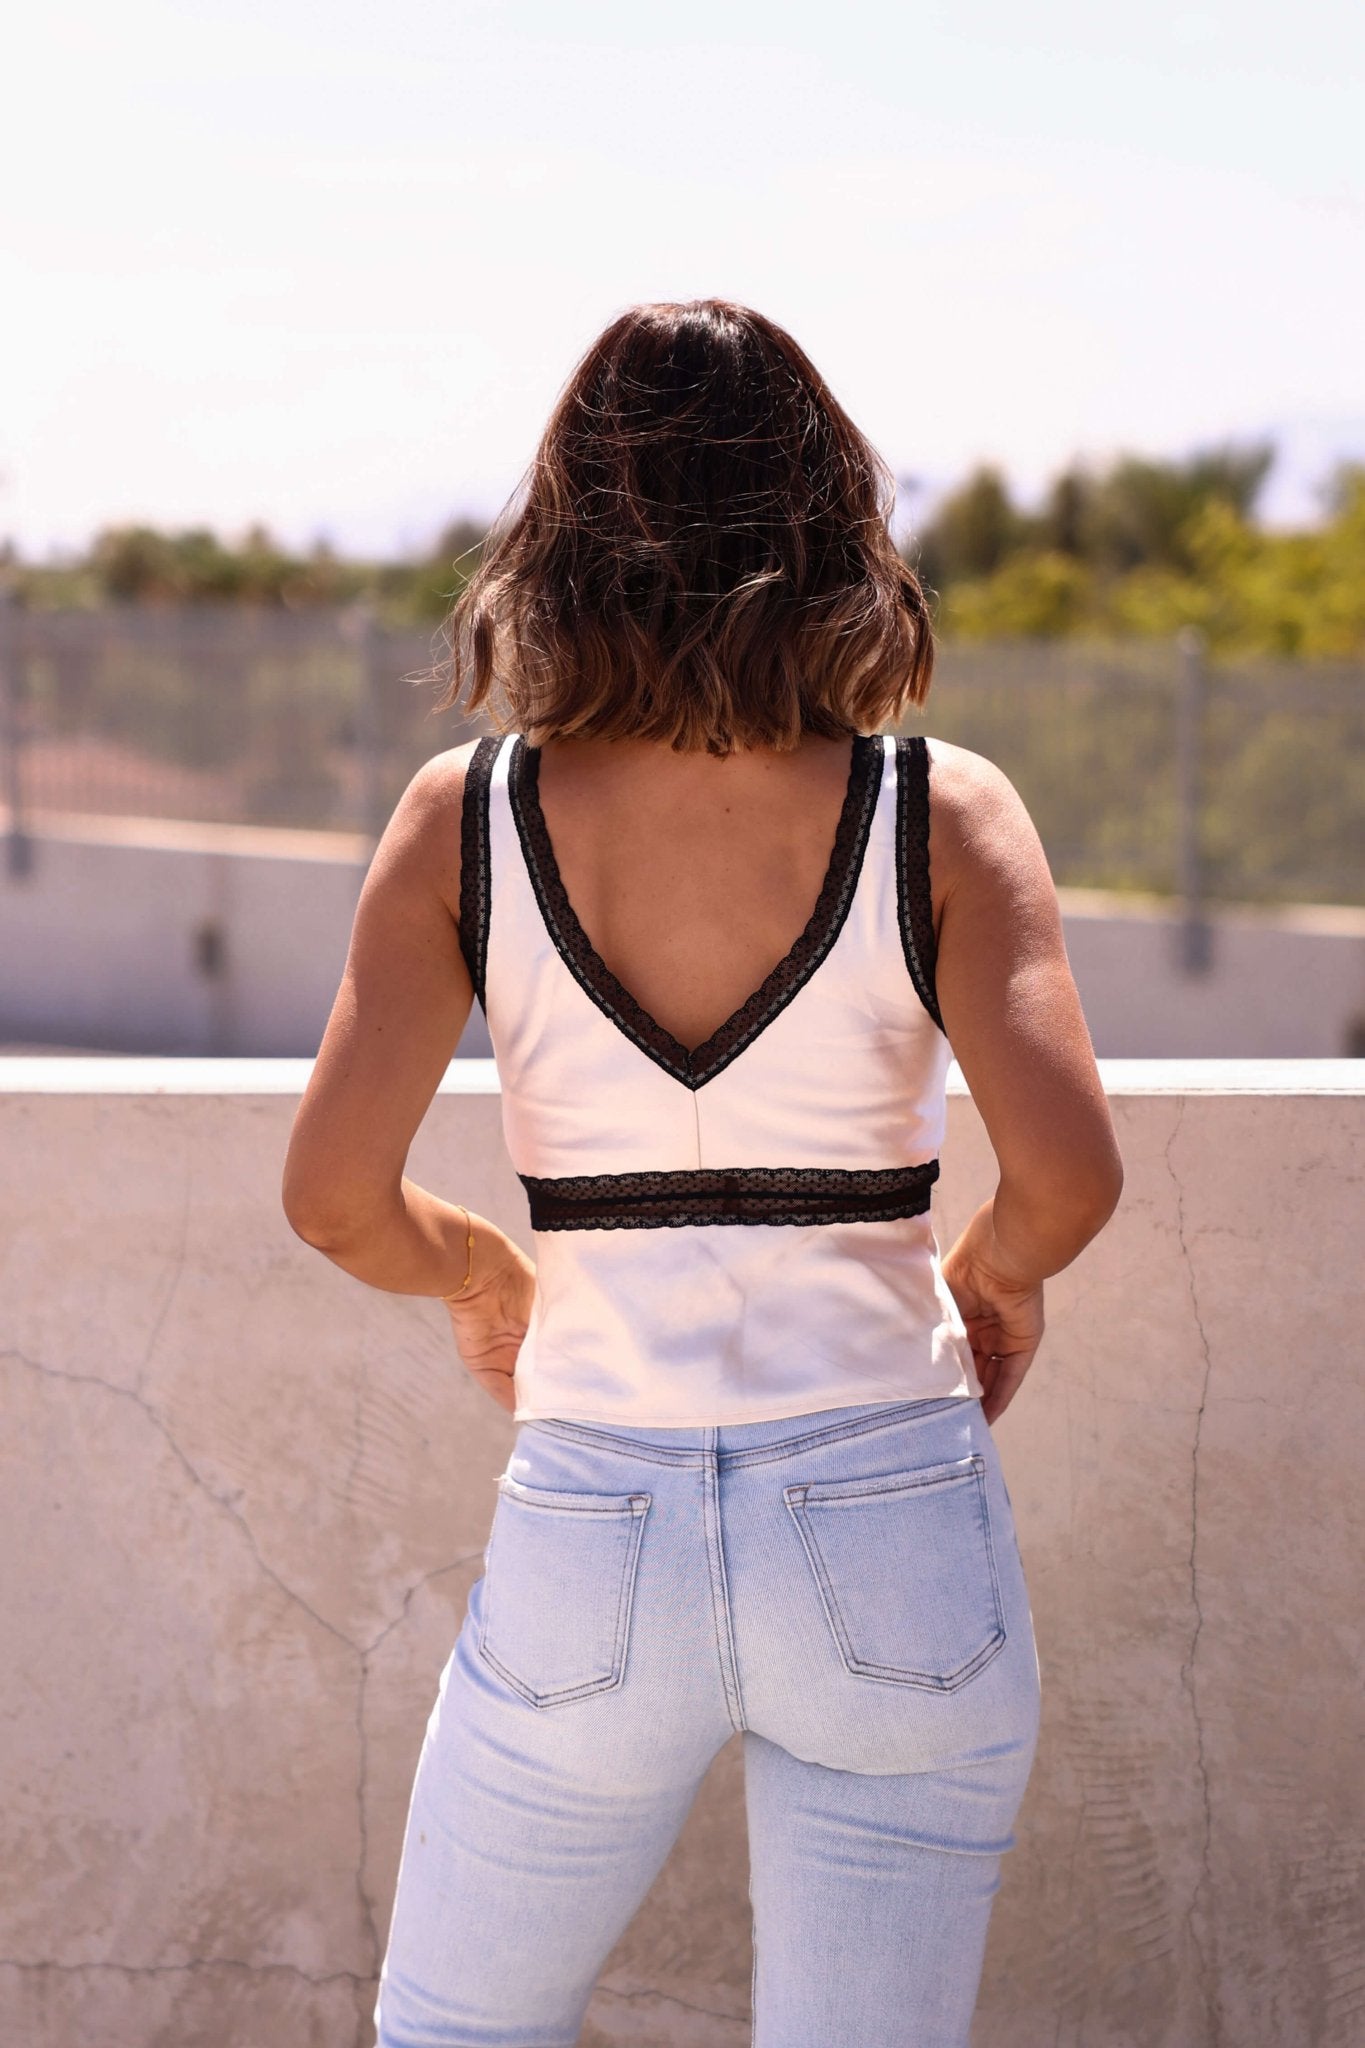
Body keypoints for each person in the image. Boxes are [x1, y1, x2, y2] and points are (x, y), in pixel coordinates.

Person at [282, 298, 1123, 2048]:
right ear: (832, 522)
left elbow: (334, 1199)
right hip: (894, 1505)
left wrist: (486, 1275)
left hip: (597, 1517)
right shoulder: (937, 813)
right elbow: (1068, 1176)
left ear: (561, 535)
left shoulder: (468, 819)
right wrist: (987, 1274)